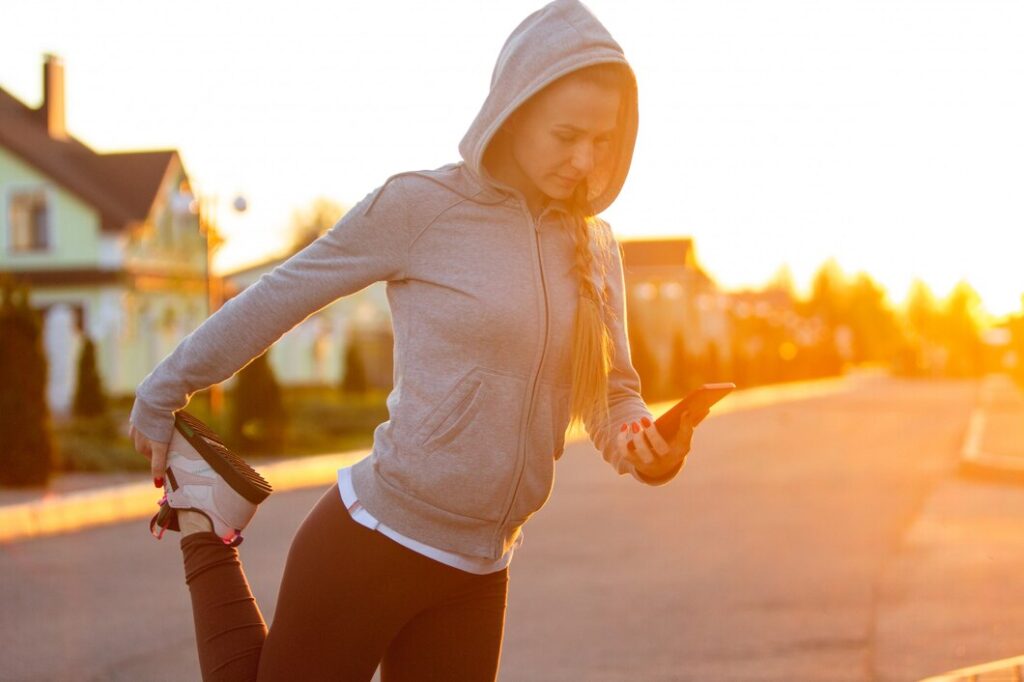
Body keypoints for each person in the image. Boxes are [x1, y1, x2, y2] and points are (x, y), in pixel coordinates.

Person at [128, 1, 698, 679]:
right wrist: (166, 389)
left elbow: (611, 395)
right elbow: (281, 294)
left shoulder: (597, 247)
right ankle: (203, 520)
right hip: (378, 540)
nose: (584, 160)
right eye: (566, 134)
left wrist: (648, 447)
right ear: (512, 113)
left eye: (603, 141)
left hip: (483, 566)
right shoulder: (421, 208)